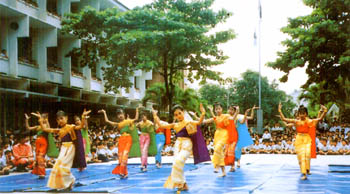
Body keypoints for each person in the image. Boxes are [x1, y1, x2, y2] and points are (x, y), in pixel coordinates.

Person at [152, 104, 210, 192]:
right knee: (176, 164)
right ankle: (183, 183)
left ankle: (181, 183)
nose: (178, 116)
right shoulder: (174, 125)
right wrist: (155, 116)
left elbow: (199, 123)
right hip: (177, 144)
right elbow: (161, 126)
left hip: (187, 144)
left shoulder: (188, 122)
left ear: (183, 112)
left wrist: (203, 113)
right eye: (176, 115)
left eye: (179, 113)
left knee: (178, 161)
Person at [33, 109, 90, 190]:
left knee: (63, 167)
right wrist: (40, 121)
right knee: (56, 167)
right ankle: (59, 185)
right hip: (63, 149)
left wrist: (83, 117)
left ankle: (70, 180)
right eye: (58, 119)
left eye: (62, 118)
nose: (60, 120)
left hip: (70, 148)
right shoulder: (59, 130)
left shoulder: (71, 127)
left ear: (66, 118)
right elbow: (45, 129)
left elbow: (80, 126)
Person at [279, 103, 327, 180]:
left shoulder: (309, 121)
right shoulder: (296, 121)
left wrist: (324, 111)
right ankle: (304, 173)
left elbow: (319, 119)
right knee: (301, 156)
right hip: (299, 139)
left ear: (306, 114)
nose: (302, 115)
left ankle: (307, 169)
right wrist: (280, 110)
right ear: (298, 114)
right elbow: (284, 119)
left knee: (307, 154)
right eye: (300, 114)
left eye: (303, 113)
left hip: (307, 139)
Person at [99, 106, 141, 179]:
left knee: (124, 156)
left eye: (121, 113)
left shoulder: (128, 121)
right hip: (121, 140)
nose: (120, 115)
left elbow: (136, 118)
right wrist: (104, 112)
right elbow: (107, 121)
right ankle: (124, 173)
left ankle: (122, 172)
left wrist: (137, 110)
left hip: (128, 139)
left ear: (124, 114)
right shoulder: (118, 124)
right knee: (121, 157)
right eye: (118, 114)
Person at [204, 103, 238, 176]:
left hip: (224, 133)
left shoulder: (226, 116)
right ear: (215, 110)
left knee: (218, 148)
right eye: (216, 109)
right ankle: (223, 172)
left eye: (219, 109)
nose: (218, 110)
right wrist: (196, 116)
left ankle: (216, 166)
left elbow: (233, 118)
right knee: (219, 152)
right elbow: (204, 121)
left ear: (222, 109)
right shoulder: (215, 118)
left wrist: (237, 111)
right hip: (217, 134)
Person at [25, 113, 53, 179]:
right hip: (37, 143)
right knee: (37, 157)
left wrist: (43, 119)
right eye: (42, 117)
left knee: (40, 157)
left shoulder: (46, 126)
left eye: (44, 118)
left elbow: (46, 127)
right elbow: (28, 128)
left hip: (43, 143)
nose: (42, 119)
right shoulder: (38, 127)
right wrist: (26, 120)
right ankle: (37, 172)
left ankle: (42, 173)